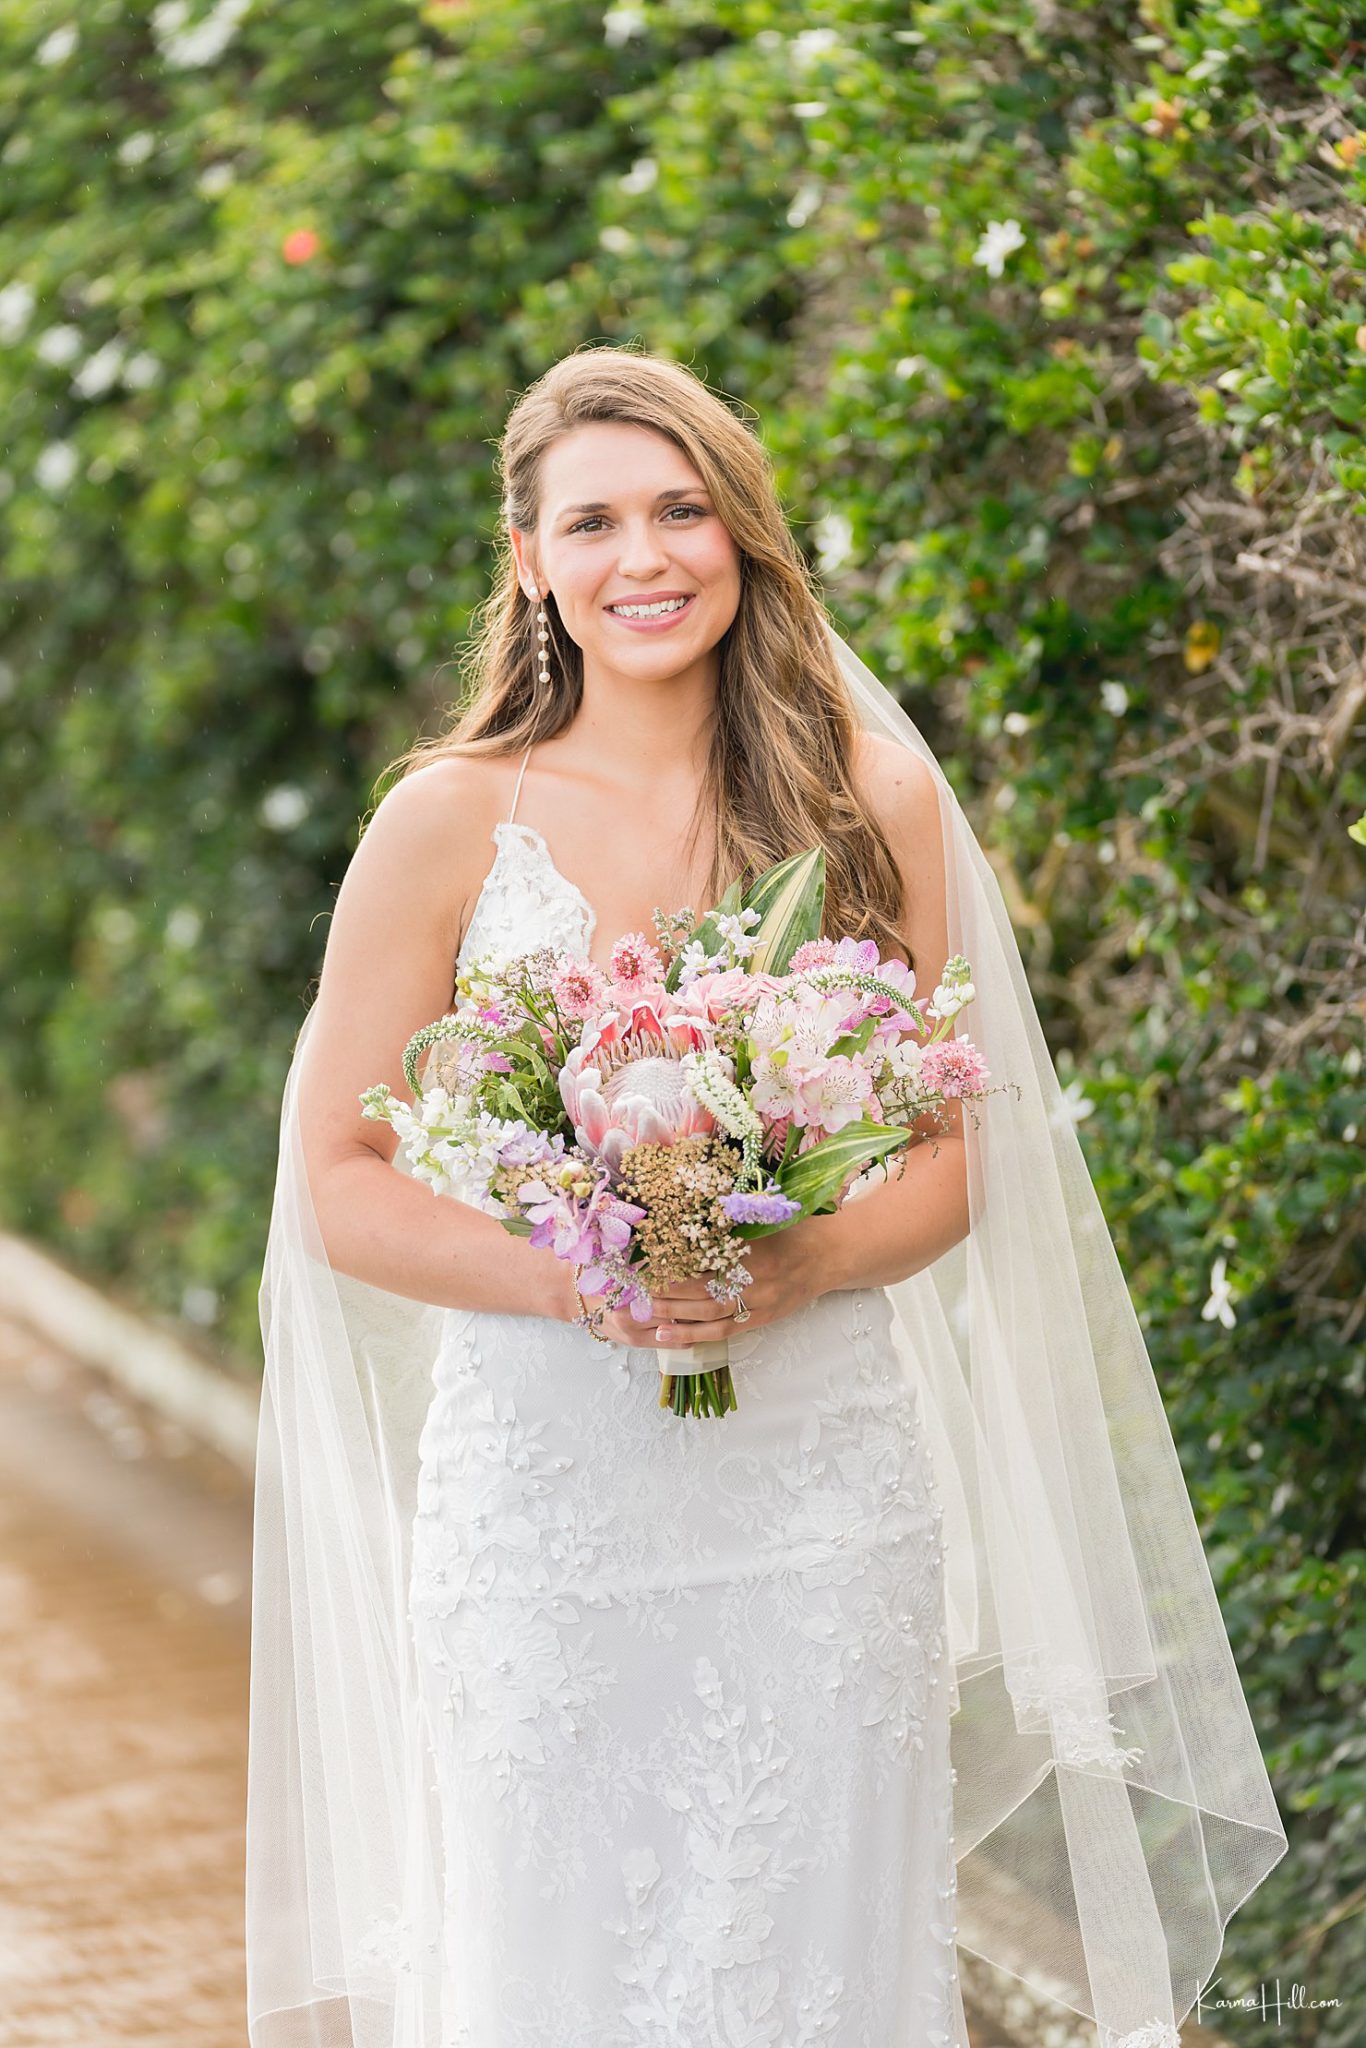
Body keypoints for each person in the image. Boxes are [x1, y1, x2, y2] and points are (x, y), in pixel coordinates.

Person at [247, 345, 1286, 2048]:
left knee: (819, 1954)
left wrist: (794, 1266)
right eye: (592, 522)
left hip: (814, 1502)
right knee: (555, 1959)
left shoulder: (866, 804)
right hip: (542, 1515)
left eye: (683, 511)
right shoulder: (444, 823)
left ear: (741, 535)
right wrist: (578, 1284)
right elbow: (343, 1186)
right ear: (530, 564)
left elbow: (958, 1160)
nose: (643, 557)